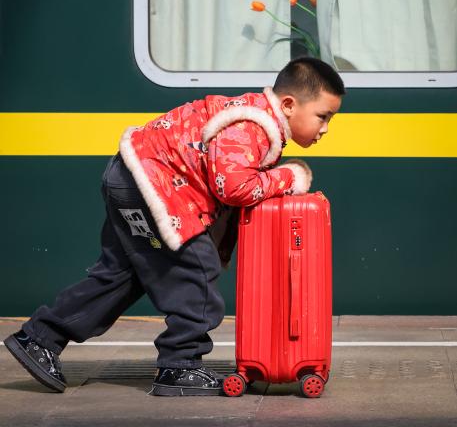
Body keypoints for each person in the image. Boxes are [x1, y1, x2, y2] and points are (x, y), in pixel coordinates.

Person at [5, 57, 345, 396]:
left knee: (121, 276)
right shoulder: (252, 126)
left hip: (132, 177)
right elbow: (234, 186)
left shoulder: (254, 118)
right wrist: (290, 175)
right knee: (196, 270)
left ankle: (39, 340)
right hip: (154, 188)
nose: (325, 128)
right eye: (323, 116)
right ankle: (179, 366)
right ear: (288, 105)